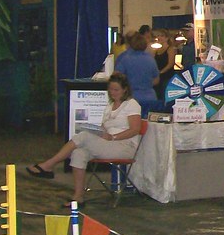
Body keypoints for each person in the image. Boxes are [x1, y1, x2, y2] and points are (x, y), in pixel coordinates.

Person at [25, 73, 143, 207]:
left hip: (125, 145)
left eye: (116, 90)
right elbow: (104, 127)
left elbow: (135, 129)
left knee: (84, 136)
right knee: (78, 153)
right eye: (110, 89)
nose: (113, 92)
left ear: (125, 89)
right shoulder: (109, 106)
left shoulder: (131, 104)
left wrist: (113, 137)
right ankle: (78, 196)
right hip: (108, 143)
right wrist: (98, 132)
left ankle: (48, 165)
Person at [115, 31, 160, 115]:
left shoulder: (124, 58)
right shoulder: (151, 59)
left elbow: (116, 78)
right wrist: (145, 84)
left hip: (131, 98)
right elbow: (156, 80)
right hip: (150, 98)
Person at [151, 28, 175, 96]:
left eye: (162, 36)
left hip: (167, 76)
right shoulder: (156, 50)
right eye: (158, 35)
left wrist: (161, 72)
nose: (159, 37)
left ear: (167, 38)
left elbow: (170, 64)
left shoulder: (170, 49)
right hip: (158, 76)